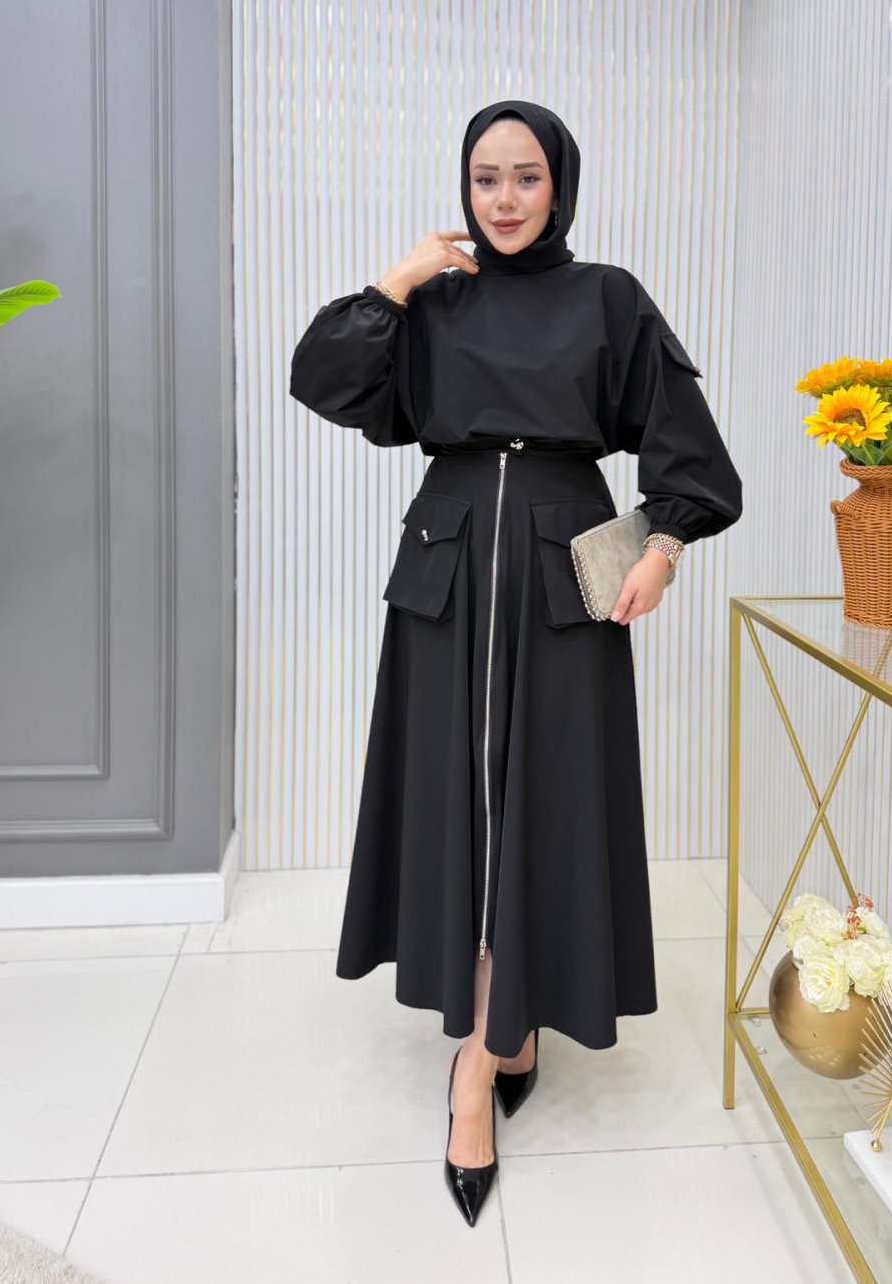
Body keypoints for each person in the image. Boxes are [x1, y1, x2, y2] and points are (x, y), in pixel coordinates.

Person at [289, 99, 743, 1227]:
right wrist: (395, 284)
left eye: (526, 176)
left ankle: (490, 1046)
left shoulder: (608, 298)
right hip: (445, 569)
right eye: (485, 176)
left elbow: (691, 453)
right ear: (464, 185)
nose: (503, 198)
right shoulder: (431, 303)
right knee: (463, 805)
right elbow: (323, 382)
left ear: (560, 186)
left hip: (560, 569)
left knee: (541, 798)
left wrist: (665, 547)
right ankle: (489, 1049)